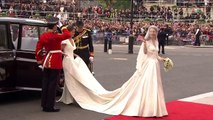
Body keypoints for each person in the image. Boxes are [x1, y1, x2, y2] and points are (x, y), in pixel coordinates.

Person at [58, 25, 168, 117]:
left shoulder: (156, 42)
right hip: (148, 65)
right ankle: (148, 108)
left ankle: (154, 107)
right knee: (147, 85)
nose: (153, 33)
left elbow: (156, 55)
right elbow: (145, 53)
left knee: (155, 85)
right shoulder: (147, 42)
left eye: (154, 31)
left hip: (155, 65)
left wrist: (164, 59)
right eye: (151, 31)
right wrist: (144, 43)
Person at [35, 16, 71, 112]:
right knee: (52, 85)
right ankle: (50, 106)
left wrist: (39, 60)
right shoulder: (56, 36)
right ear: (55, 26)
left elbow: (38, 49)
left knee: (45, 83)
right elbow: (67, 35)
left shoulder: (44, 36)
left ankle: (44, 104)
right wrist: (63, 27)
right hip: (55, 62)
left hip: (46, 61)